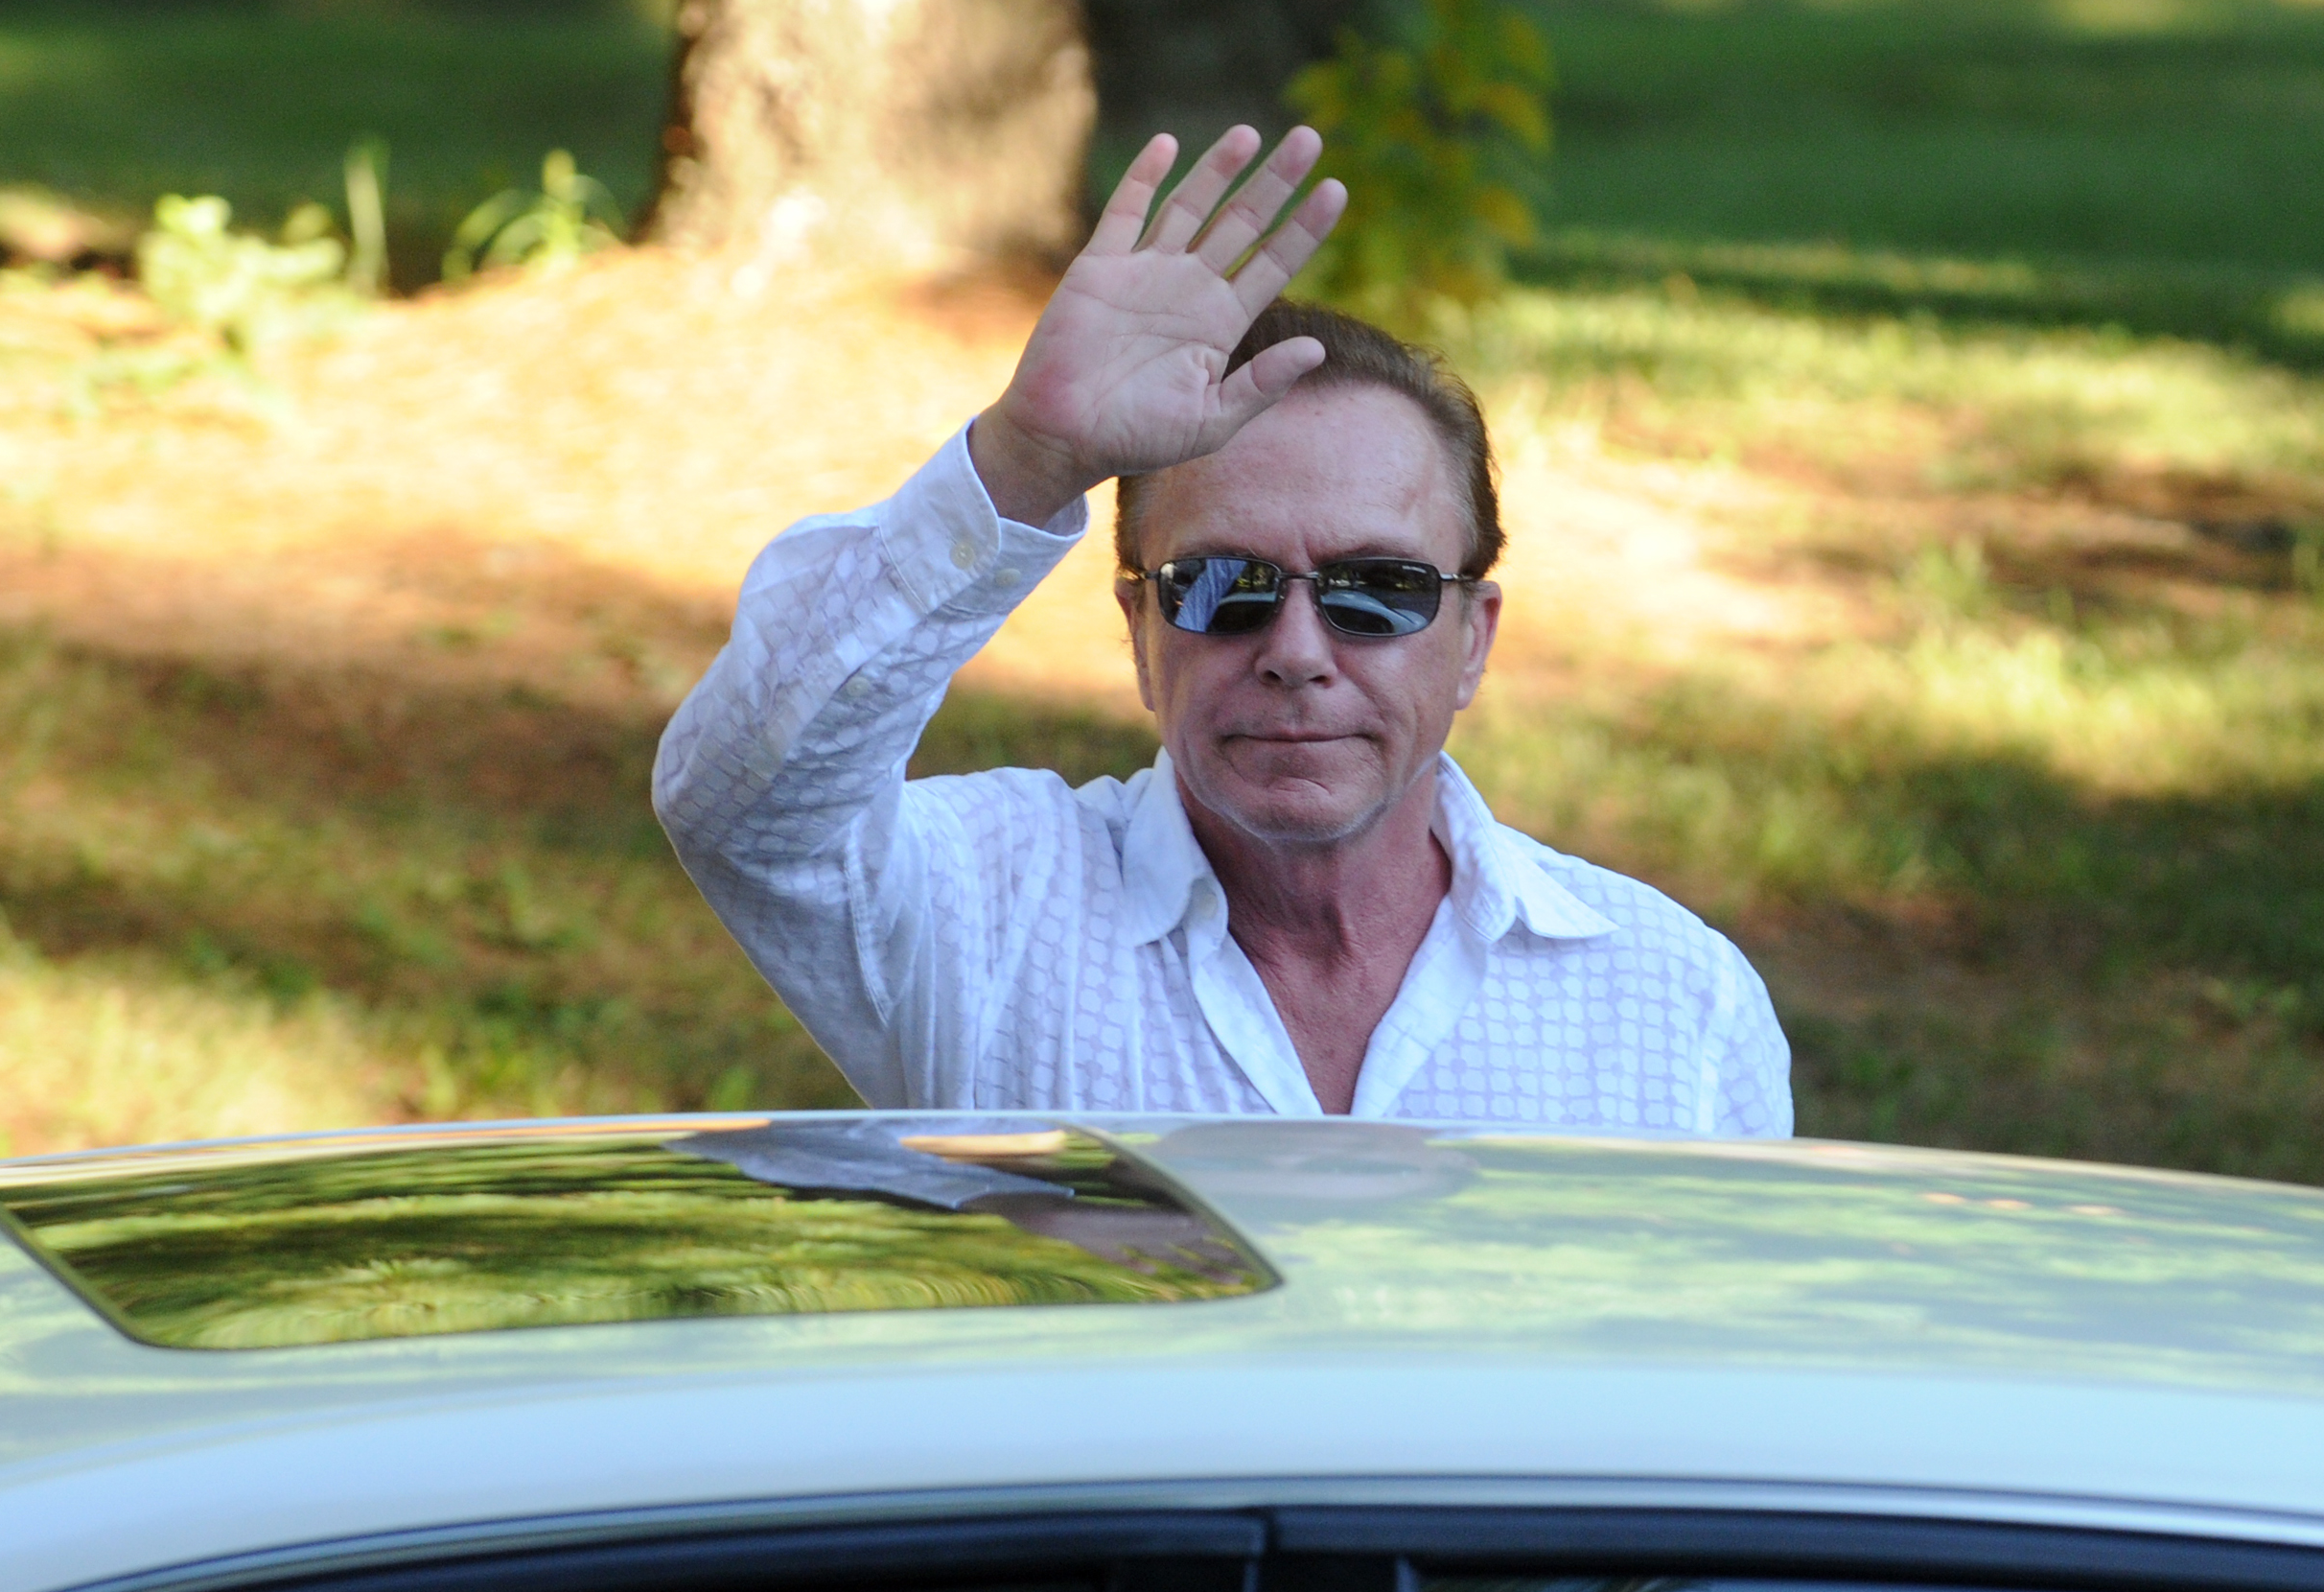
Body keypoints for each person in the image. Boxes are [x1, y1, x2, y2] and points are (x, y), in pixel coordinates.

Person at [654, 123, 1793, 1131]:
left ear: (1474, 640)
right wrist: (1025, 457)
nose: (1297, 652)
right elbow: (745, 809)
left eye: (1376, 590)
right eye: (1222, 588)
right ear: (1140, 630)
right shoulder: (984, 910)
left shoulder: (1678, 1003)